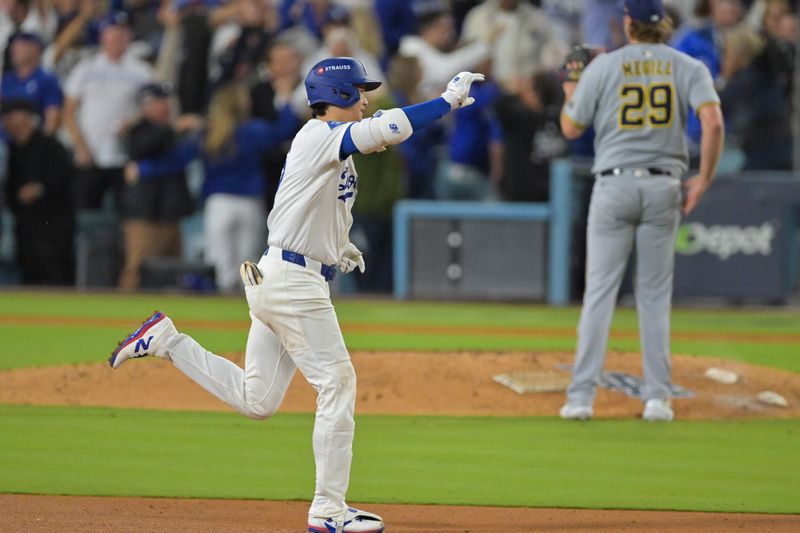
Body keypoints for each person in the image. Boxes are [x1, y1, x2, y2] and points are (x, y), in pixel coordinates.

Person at [108, 57, 484, 533]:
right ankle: (328, 511)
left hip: (282, 275)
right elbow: (384, 129)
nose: (365, 99)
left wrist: (339, 248)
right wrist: (446, 101)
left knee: (258, 399)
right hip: (292, 283)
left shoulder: (327, 148)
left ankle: (167, 341)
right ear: (341, 95)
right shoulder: (316, 136)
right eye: (359, 91)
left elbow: (317, 207)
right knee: (338, 383)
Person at [558, 0, 724, 422]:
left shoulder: (604, 66)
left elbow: (571, 127)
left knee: (599, 294)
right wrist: (703, 177)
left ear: (628, 23)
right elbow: (713, 122)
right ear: (663, 24)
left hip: (614, 183)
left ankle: (580, 400)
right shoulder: (688, 65)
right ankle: (658, 400)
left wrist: (570, 89)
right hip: (664, 182)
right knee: (653, 296)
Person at [63, 11, 153, 210]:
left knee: (128, 216)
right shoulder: (86, 69)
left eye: (123, 32)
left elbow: (152, 111)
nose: (117, 37)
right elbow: (68, 113)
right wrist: (81, 147)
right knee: (85, 214)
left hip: (125, 156)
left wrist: (133, 122)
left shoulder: (142, 72)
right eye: (113, 32)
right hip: (90, 156)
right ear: (103, 35)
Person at [117, 82, 195, 290]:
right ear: (146, 105)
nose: (165, 106)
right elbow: (143, 147)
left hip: (170, 212)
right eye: (160, 102)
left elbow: (182, 158)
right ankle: (123, 316)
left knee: (173, 273)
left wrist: (145, 169)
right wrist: (173, 129)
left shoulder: (172, 131)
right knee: (136, 269)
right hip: (144, 214)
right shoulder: (137, 130)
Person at [3, 98, 76, 285]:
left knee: (55, 271)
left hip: (53, 222)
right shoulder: (11, 150)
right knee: (28, 270)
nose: (10, 122)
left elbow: (66, 177)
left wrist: (40, 188)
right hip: (25, 223)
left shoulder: (49, 145)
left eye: (14, 117)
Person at [1, 31, 63, 135]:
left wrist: (42, 146)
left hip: (32, 142)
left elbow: (53, 118)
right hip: (5, 142)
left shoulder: (47, 79)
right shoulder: (7, 79)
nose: (14, 50)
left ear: (35, 49)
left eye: (21, 46)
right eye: (14, 47)